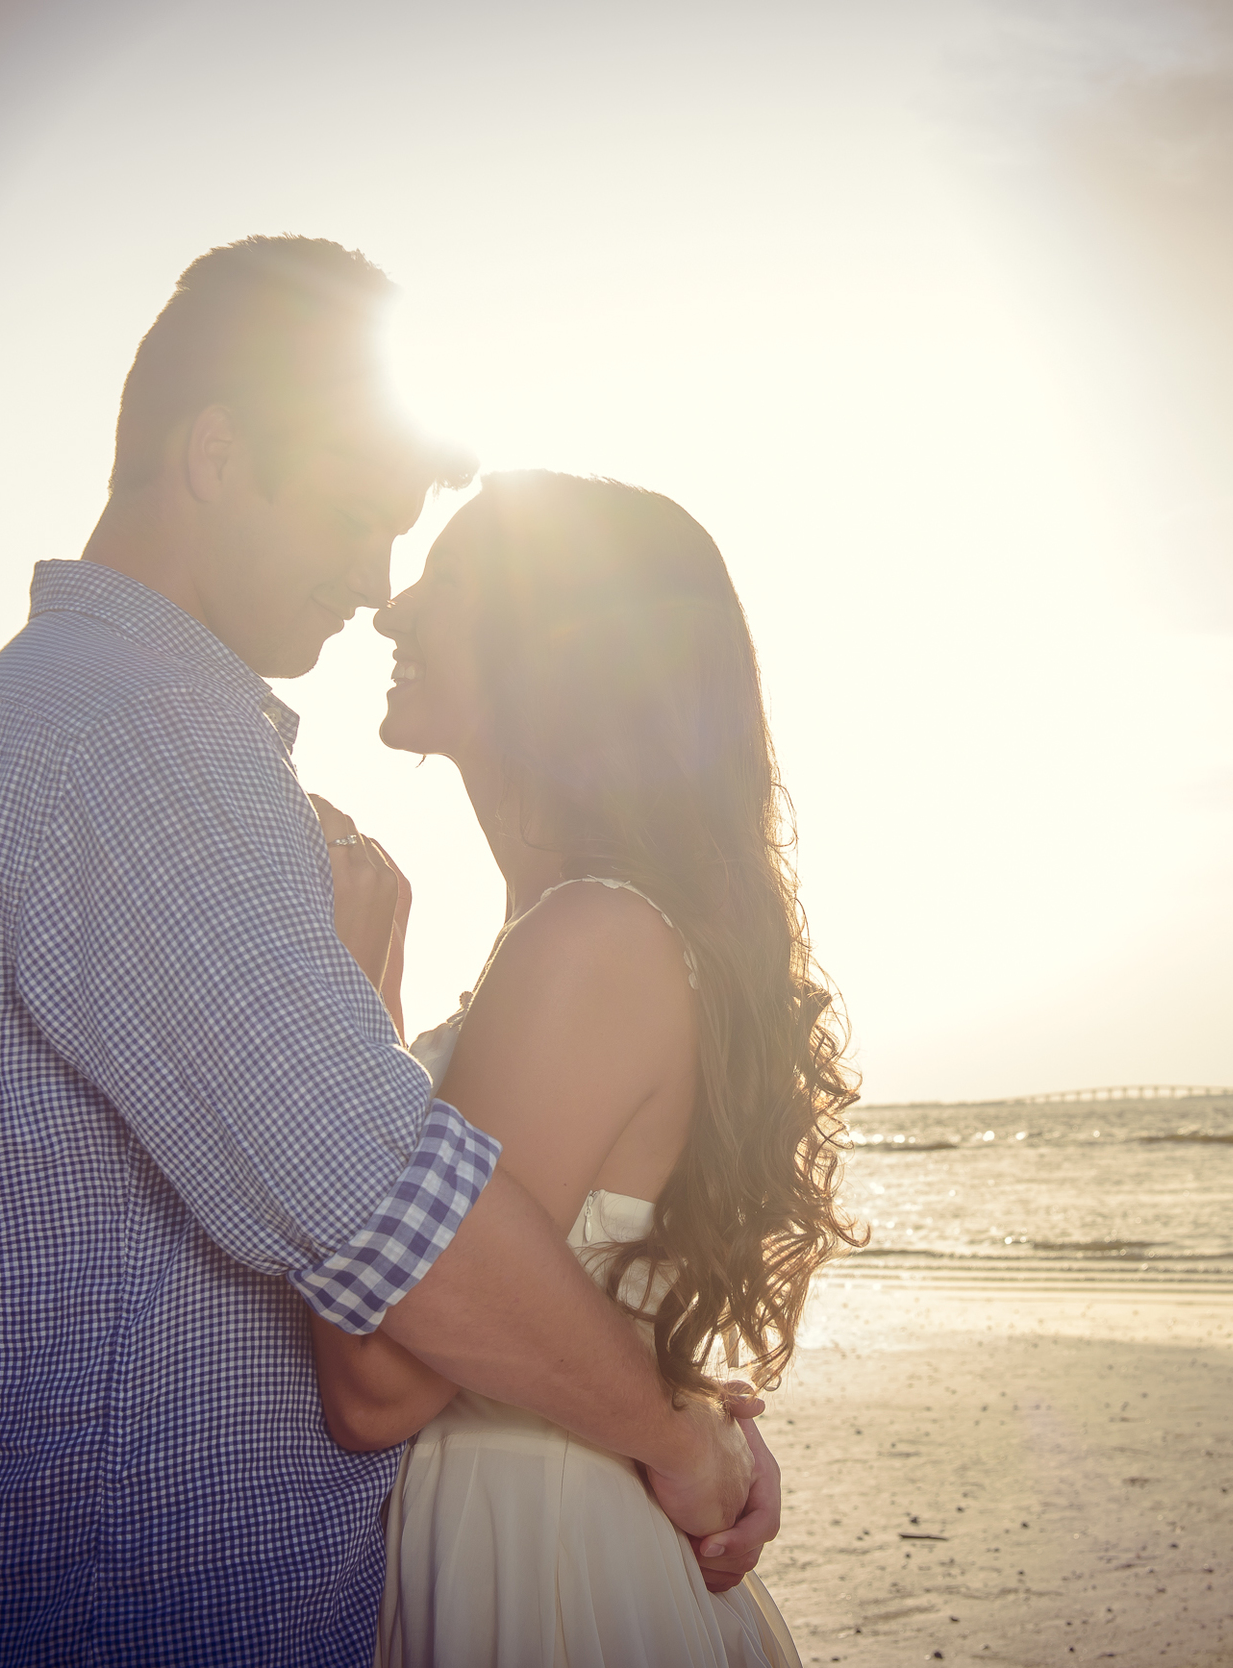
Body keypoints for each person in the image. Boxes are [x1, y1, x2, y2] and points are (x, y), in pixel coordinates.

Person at [0, 239, 767, 1666]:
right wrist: (671, 1436)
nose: (375, 580)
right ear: (215, 456)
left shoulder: (86, 715)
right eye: (353, 516)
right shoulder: (143, 731)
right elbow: (389, 1224)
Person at [308, 472, 862, 1665]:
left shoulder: (590, 940)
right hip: (539, 1530)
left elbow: (379, 1386)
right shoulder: (581, 936)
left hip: (537, 1568)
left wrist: (349, 1012)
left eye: (446, 584)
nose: (391, 611)